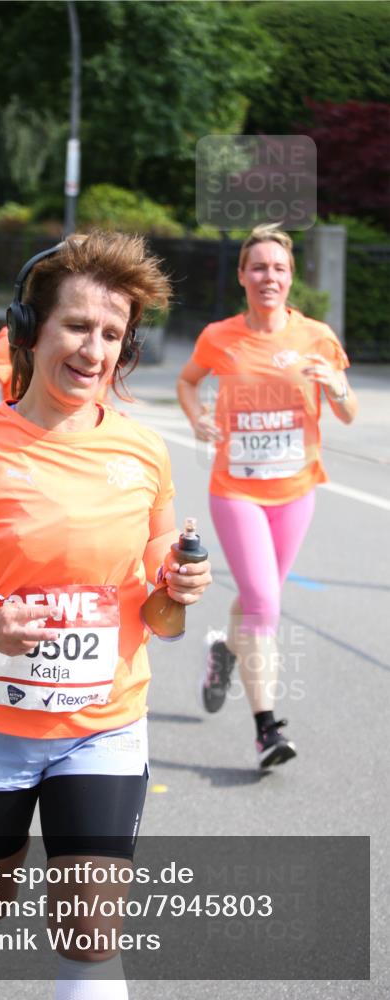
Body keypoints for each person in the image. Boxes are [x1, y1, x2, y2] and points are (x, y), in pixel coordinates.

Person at [0, 231, 212, 1000]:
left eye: (110, 334)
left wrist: (178, 592)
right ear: (29, 329)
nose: (92, 349)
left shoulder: (142, 452)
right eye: (76, 326)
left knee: (89, 934)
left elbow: (161, 618)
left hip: (104, 725)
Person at [177, 223, 357, 768]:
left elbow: (348, 414)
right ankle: (267, 729)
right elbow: (187, 382)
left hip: (297, 492)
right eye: (258, 267)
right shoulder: (219, 337)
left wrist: (336, 385)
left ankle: (224, 653)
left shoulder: (317, 337)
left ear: (291, 275)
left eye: (278, 268)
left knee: (259, 599)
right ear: (241, 276)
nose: (268, 277)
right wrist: (196, 417)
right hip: (236, 490)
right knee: (264, 604)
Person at [0, 323, 111, 422]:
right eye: (76, 327)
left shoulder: (100, 352)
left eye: (111, 336)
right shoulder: (14, 340)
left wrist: (111, 421)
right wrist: (33, 420)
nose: (94, 354)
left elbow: (101, 401)